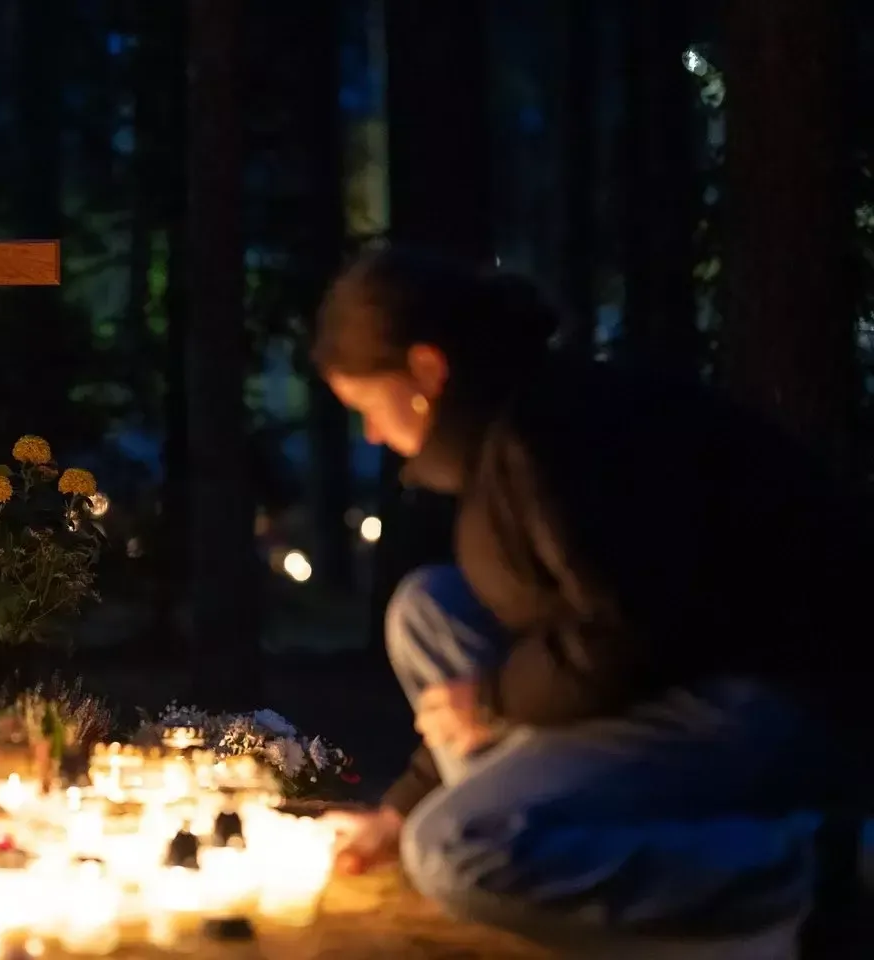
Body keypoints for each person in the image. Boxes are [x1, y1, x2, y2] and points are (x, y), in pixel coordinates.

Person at [315, 249, 871, 955]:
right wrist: (399, 811)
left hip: (773, 698)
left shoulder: (549, 439)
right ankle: (545, 840)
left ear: (426, 368)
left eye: (367, 405)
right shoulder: (514, 424)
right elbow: (571, 625)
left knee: (458, 848)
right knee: (430, 605)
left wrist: (488, 703)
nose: (369, 434)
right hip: (670, 678)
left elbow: (636, 628)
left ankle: (824, 874)